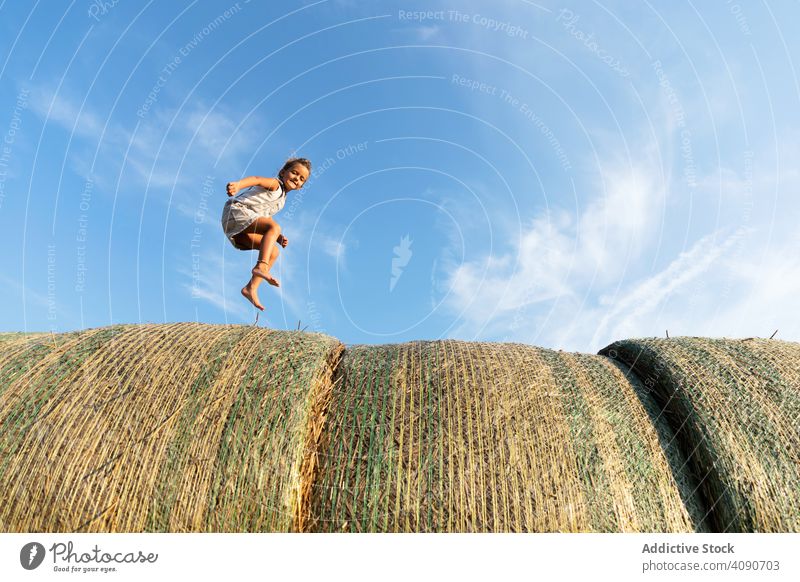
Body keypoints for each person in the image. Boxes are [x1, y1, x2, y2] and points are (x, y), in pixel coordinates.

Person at [221, 157, 311, 311]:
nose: (297, 178)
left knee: (274, 251)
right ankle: (261, 266)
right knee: (275, 227)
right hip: (236, 211)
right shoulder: (275, 184)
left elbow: (265, 217)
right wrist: (238, 185)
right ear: (283, 172)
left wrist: (278, 237)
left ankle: (251, 288)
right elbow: (256, 179)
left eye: (301, 178)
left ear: (301, 186)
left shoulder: (282, 200)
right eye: (294, 173)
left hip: (239, 226)